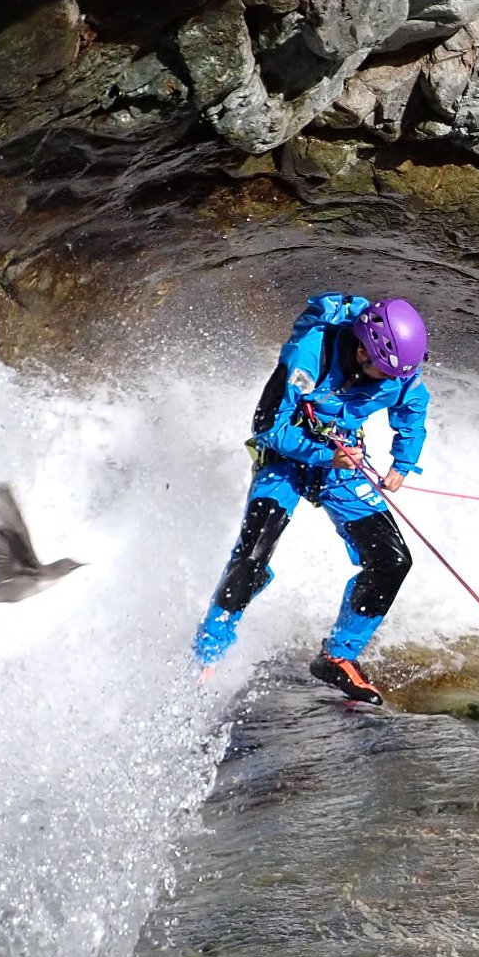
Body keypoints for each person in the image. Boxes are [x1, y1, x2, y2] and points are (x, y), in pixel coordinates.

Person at [192, 293, 431, 704]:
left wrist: (403, 464)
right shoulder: (310, 353)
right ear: (361, 348)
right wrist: (326, 454)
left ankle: (337, 657)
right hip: (286, 457)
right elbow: (267, 426)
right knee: (251, 556)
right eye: (381, 373)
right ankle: (207, 654)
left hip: (341, 463)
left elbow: (412, 408)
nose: (388, 382)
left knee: (392, 562)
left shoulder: (398, 369)